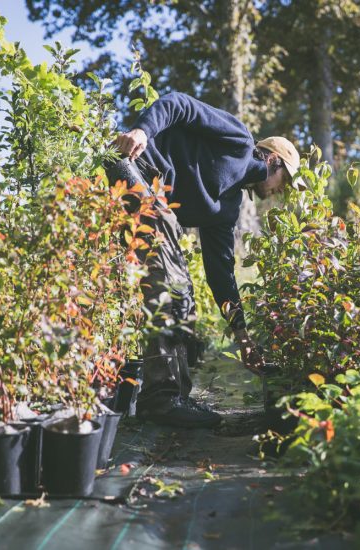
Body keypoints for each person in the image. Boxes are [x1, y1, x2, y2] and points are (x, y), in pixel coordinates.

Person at [106, 92, 300, 429]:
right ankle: (162, 401)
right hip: (133, 171)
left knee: (183, 295)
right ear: (274, 161)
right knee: (170, 290)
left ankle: (174, 396)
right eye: (286, 182)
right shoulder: (238, 140)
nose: (281, 191)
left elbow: (221, 273)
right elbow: (178, 104)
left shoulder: (227, 207)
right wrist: (142, 132)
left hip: (155, 204)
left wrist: (243, 338)